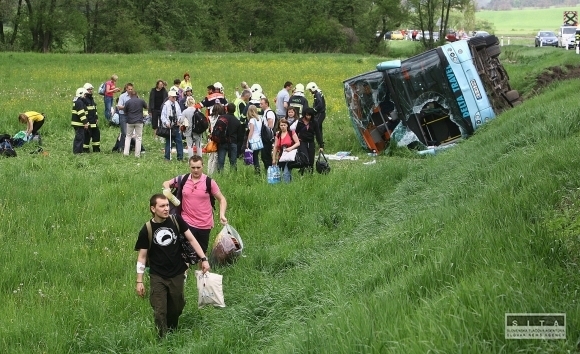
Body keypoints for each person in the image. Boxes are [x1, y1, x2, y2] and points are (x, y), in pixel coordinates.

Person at [134, 193, 210, 338]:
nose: (166, 208)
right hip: (157, 275)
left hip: (177, 273)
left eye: (167, 205)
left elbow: (192, 240)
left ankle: (173, 331)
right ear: (153, 208)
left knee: (177, 307)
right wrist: (139, 280)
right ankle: (163, 339)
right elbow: (142, 256)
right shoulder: (147, 229)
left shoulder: (176, 221)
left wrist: (204, 258)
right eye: (162, 206)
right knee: (159, 311)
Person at [161, 155, 228, 254]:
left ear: (202, 166)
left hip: (204, 223)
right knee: (185, 251)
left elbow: (222, 199)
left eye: (198, 167)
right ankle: (184, 269)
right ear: (189, 167)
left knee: (201, 252)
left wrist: (222, 215)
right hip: (186, 221)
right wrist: (167, 189)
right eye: (193, 167)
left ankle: (201, 269)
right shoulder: (183, 179)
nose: (195, 170)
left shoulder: (209, 182)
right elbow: (166, 183)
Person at [295, 108, 324, 174]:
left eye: (310, 115)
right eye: (307, 115)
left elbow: (318, 134)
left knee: (311, 159)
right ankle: (302, 171)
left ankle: (310, 173)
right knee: (305, 157)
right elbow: (296, 132)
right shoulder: (300, 122)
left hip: (311, 142)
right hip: (302, 142)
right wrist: (296, 141)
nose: (308, 117)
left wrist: (321, 145)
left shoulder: (314, 122)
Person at [272, 118, 300, 183]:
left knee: (286, 172)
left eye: (284, 125)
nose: (283, 127)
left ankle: (286, 185)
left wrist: (291, 148)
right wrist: (274, 159)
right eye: (281, 125)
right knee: (280, 171)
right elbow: (275, 147)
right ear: (279, 126)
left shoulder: (291, 132)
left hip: (290, 155)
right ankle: (289, 184)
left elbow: (298, 143)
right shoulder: (278, 134)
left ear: (287, 125)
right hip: (281, 156)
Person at [123, 87, 148, 157]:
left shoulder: (127, 102)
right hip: (139, 121)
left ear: (130, 95)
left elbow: (125, 112)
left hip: (130, 121)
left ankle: (126, 153)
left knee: (128, 136)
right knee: (138, 137)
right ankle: (137, 154)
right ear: (137, 95)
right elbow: (146, 107)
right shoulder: (141, 101)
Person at [217, 103, 241, 172]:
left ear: (226, 109)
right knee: (233, 162)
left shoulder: (222, 118)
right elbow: (240, 135)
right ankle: (233, 175)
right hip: (233, 142)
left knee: (221, 161)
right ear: (234, 110)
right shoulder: (237, 121)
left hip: (222, 141)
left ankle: (220, 174)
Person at [160, 90, 184, 161]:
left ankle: (180, 157)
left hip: (176, 125)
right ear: (169, 97)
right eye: (173, 97)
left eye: (175, 97)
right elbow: (163, 116)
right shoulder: (166, 105)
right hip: (169, 126)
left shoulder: (176, 104)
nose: (174, 98)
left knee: (179, 141)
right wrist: (166, 123)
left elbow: (180, 114)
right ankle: (167, 157)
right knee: (169, 141)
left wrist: (179, 121)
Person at [82, 83, 100, 152]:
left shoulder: (91, 99)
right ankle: (85, 150)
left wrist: (96, 117)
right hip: (88, 122)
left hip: (93, 121)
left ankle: (96, 149)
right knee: (86, 136)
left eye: (91, 89)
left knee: (96, 135)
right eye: (88, 89)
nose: (90, 90)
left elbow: (94, 109)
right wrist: (85, 122)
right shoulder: (84, 99)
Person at [259, 97, 276, 169]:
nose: (260, 105)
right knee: (264, 155)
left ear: (266, 104)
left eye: (262, 104)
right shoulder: (266, 112)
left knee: (266, 155)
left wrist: (266, 132)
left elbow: (270, 125)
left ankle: (269, 170)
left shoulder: (269, 113)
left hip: (267, 137)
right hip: (265, 137)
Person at [234, 89, 251, 157]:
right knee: (240, 140)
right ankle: (238, 154)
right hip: (240, 123)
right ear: (246, 96)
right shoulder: (242, 103)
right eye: (249, 97)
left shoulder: (237, 100)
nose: (249, 98)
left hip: (235, 122)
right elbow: (243, 114)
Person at [71, 87, 89, 154]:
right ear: (81, 94)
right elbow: (81, 113)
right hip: (78, 123)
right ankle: (77, 153)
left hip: (79, 123)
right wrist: (85, 123)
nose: (85, 96)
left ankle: (79, 151)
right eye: (84, 94)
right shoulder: (79, 102)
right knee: (79, 138)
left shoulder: (78, 101)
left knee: (81, 137)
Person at [116, 83, 133, 152]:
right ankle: (121, 147)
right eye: (129, 89)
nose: (130, 90)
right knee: (124, 132)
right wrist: (127, 107)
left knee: (131, 132)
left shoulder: (134, 96)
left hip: (131, 115)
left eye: (131, 89)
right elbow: (119, 107)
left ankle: (129, 146)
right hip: (123, 115)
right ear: (126, 89)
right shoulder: (122, 96)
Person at [207, 103, 223, 175]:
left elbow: (209, 128)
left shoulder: (210, 118)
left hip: (210, 138)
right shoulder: (220, 118)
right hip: (217, 138)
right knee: (216, 156)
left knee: (210, 156)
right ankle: (213, 172)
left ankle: (209, 171)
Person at [246, 105, 263, 173]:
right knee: (256, 156)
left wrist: (248, 140)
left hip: (253, 140)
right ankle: (257, 169)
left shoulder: (252, 120)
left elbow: (251, 131)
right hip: (259, 139)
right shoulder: (260, 118)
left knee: (254, 157)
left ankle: (257, 170)